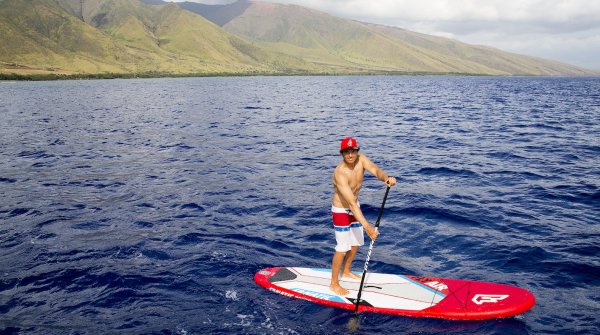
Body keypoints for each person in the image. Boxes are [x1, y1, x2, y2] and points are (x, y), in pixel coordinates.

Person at [330, 137, 397, 296]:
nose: (350, 154)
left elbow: (375, 170)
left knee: (356, 243)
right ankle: (334, 283)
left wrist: (386, 178)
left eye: (353, 151)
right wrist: (368, 227)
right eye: (347, 152)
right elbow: (351, 203)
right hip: (341, 210)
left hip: (355, 208)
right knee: (342, 247)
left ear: (357, 151)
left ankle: (346, 271)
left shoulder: (362, 160)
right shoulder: (340, 173)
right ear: (342, 154)